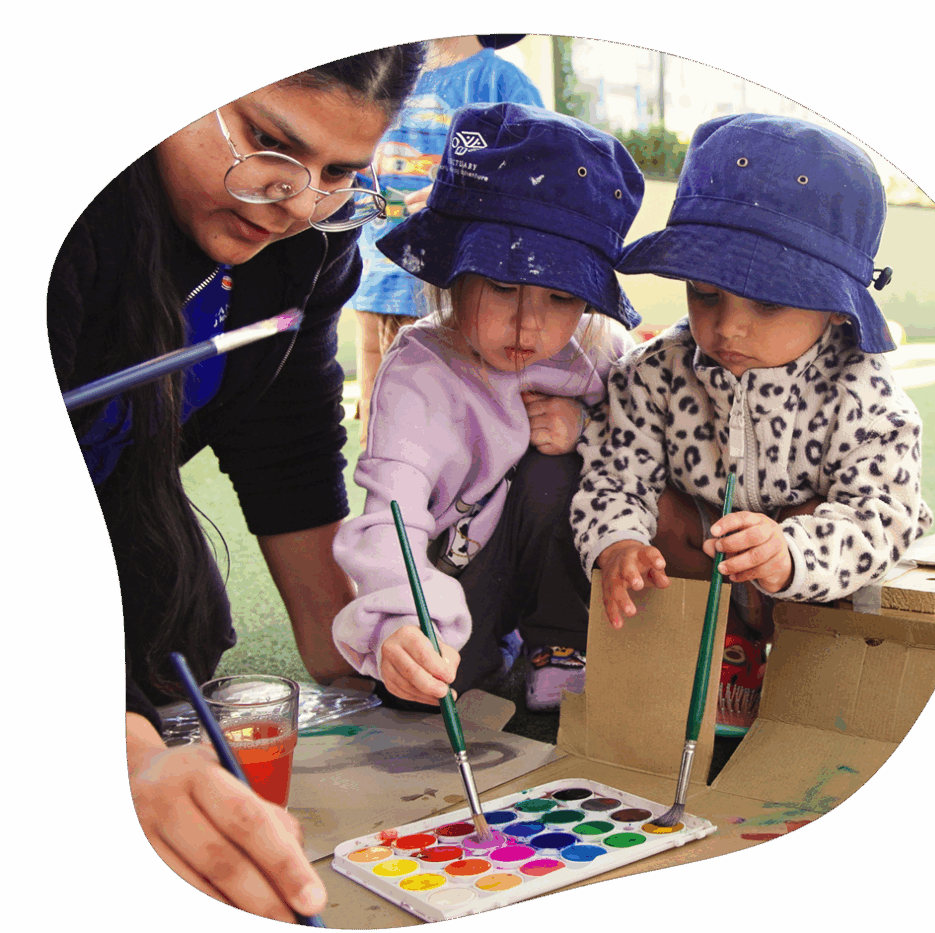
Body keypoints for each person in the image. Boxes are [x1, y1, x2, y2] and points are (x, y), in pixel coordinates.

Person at [46, 44, 426, 922]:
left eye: (341, 171)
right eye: (269, 141)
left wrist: (362, 654)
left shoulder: (316, 240)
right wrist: (126, 761)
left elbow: (289, 450)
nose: (297, 202)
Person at [571, 113, 934, 727]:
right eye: (705, 294)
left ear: (838, 311)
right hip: (700, 559)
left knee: (855, 573)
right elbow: (615, 477)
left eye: (768, 302)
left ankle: (803, 696)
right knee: (652, 518)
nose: (728, 327)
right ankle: (709, 671)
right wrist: (617, 544)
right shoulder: (653, 371)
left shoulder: (865, 393)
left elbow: (882, 517)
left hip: (813, 575)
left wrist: (788, 554)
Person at [331, 102, 645, 713]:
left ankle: (558, 646)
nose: (528, 323)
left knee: (557, 466)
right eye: (503, 286)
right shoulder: (418, 368)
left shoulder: (603, 354)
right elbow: (388, 514)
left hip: (556, 569)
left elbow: (647, 448)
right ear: (455, 271)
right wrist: (403, 620)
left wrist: (588, 429)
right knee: (429, 689)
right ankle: (466, 645)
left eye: (561, 296)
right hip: (446, 574)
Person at [349, 34, 544, 443]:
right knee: (379, 436)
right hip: (375, 281)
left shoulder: (500, 83)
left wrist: (460, 193)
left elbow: (537, 178)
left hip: (453, 290)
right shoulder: (379, 73)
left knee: (445, 436)